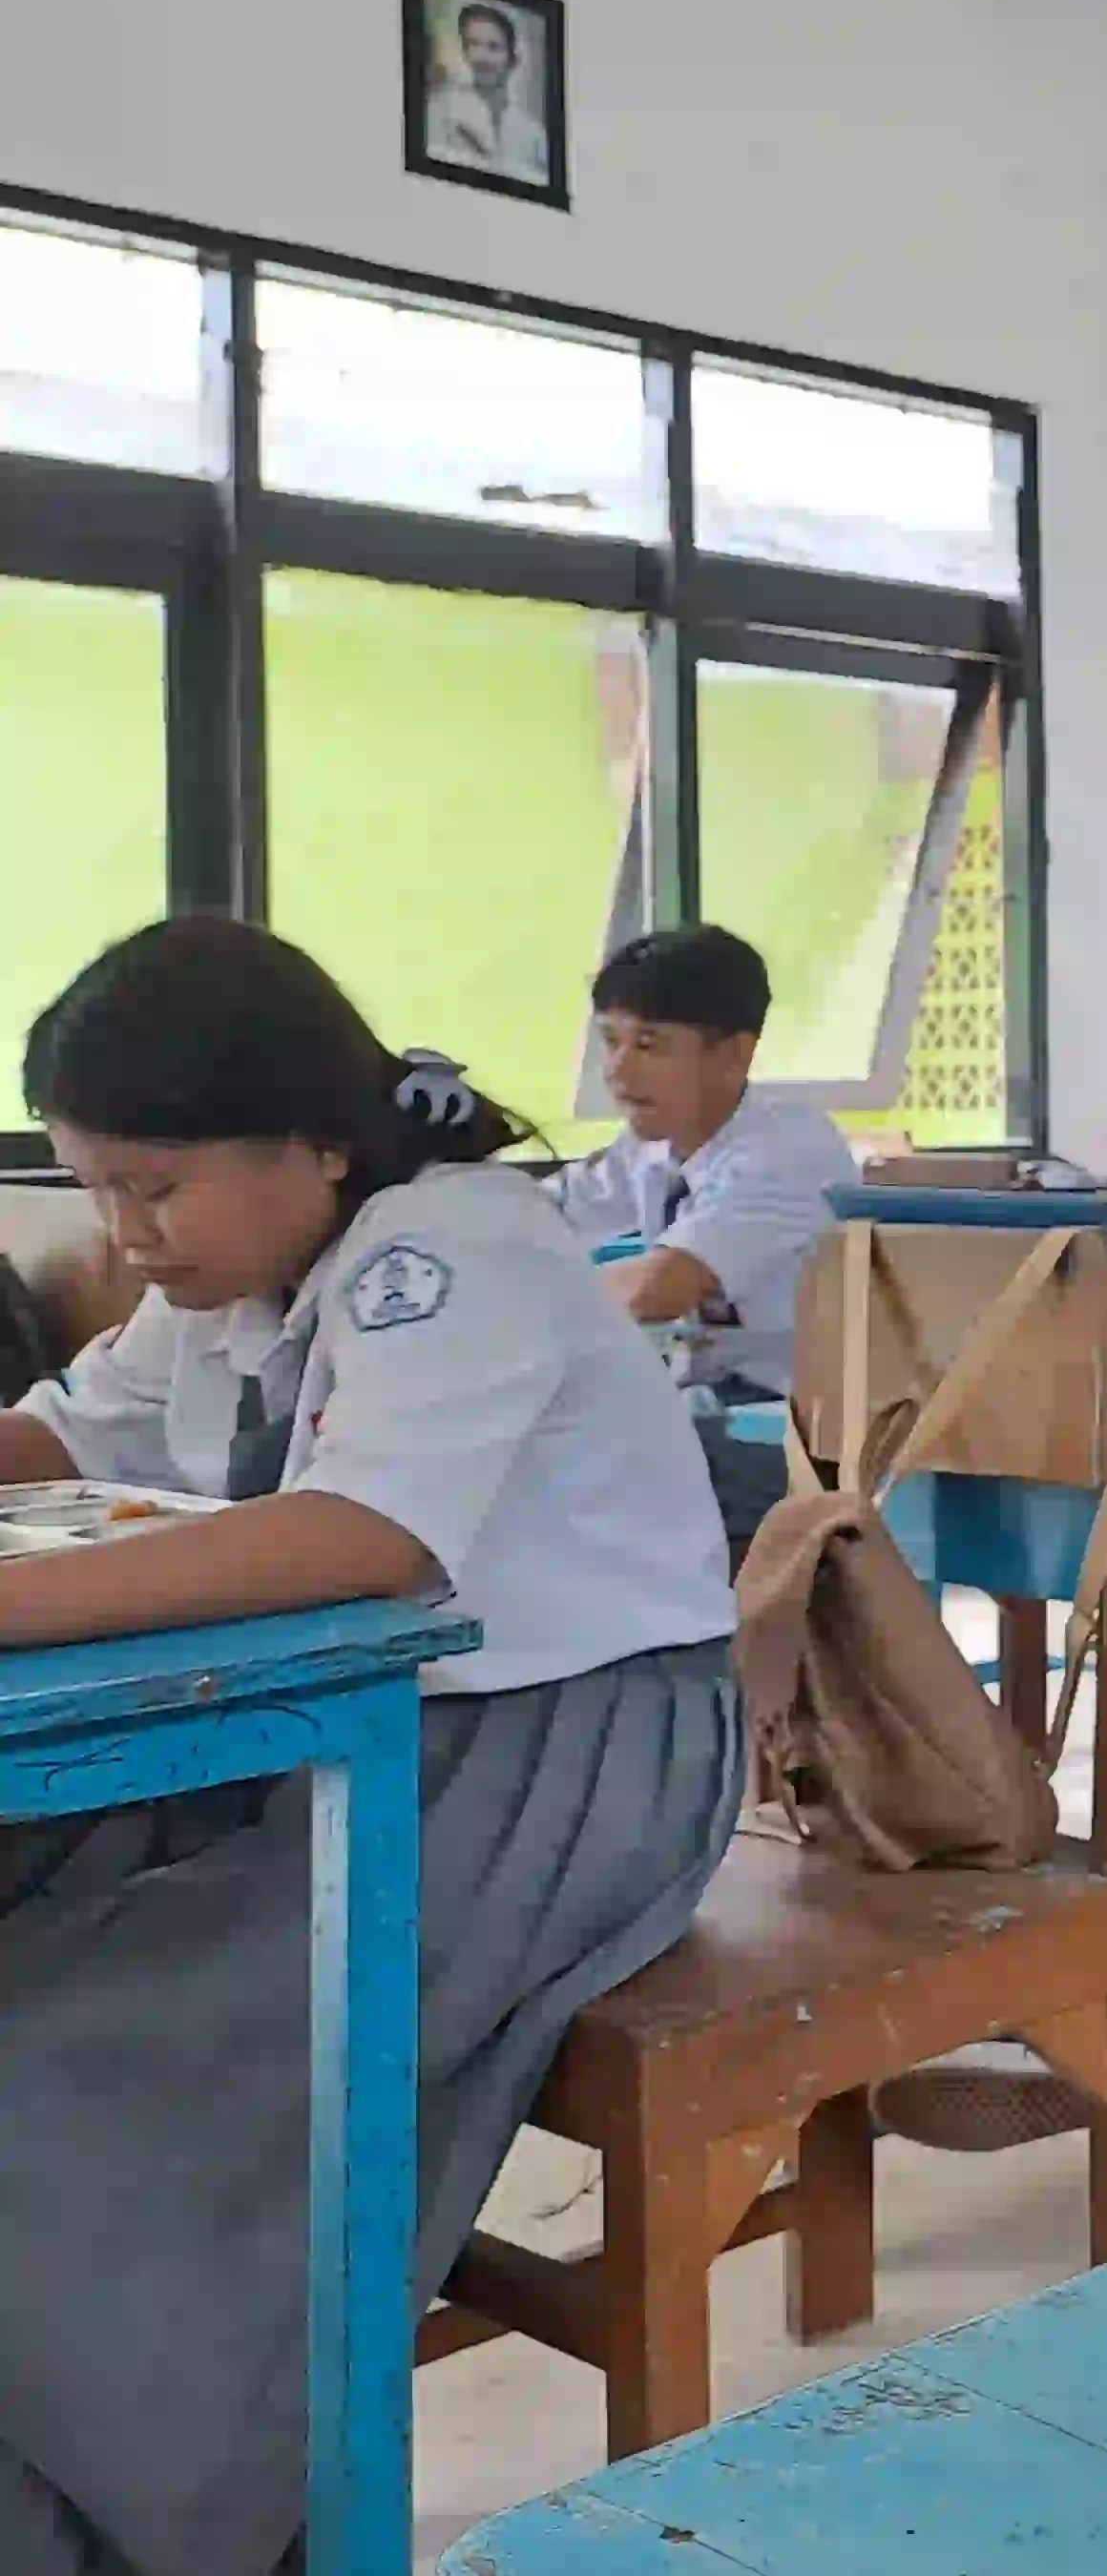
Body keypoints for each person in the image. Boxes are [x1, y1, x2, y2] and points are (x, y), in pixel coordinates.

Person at [0, 919, 743, 2572]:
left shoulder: (449, 1250)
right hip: (347, 1715)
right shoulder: (235, 1267)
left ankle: (176, 2506)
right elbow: (58, 1431)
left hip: (571, 1748)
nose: (127, 1237)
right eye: (98, 1193)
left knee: (75, 2059)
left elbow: (364, 1538)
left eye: (157, 1189)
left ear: (316, 1143)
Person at [550, 925, 857, 1565]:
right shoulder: (652, 1146)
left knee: (566, 1480)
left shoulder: (785, 1151)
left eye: (650, 1045)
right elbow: (545, 1211)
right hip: (710, 1413)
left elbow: (660, 1289)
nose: (619, 1069)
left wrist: (528, 1298)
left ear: (734, 1055)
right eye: (610, 1041)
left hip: (801, 1441)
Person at [424, 0, 550, 185]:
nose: (481, 57)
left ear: (513, 58)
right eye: (473, 44)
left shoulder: (534, 135)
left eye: (493, 47)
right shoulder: (441, 110)